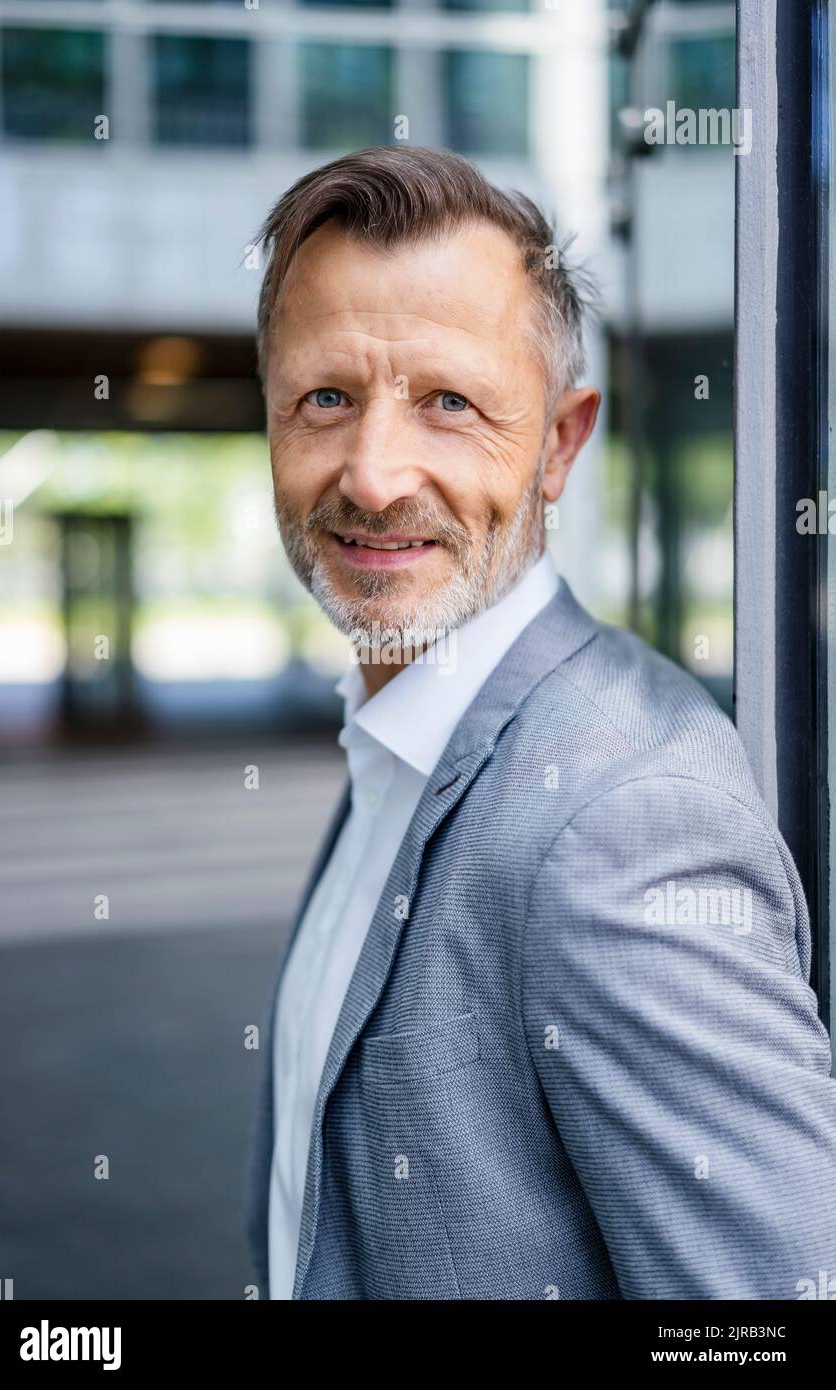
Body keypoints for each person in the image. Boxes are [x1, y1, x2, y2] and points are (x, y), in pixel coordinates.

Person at [243, 145, 836, 1300]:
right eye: (326, 398)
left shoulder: (623, 822)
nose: (371, 475)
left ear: (560, 443)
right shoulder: (397, 741)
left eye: (448, 404)